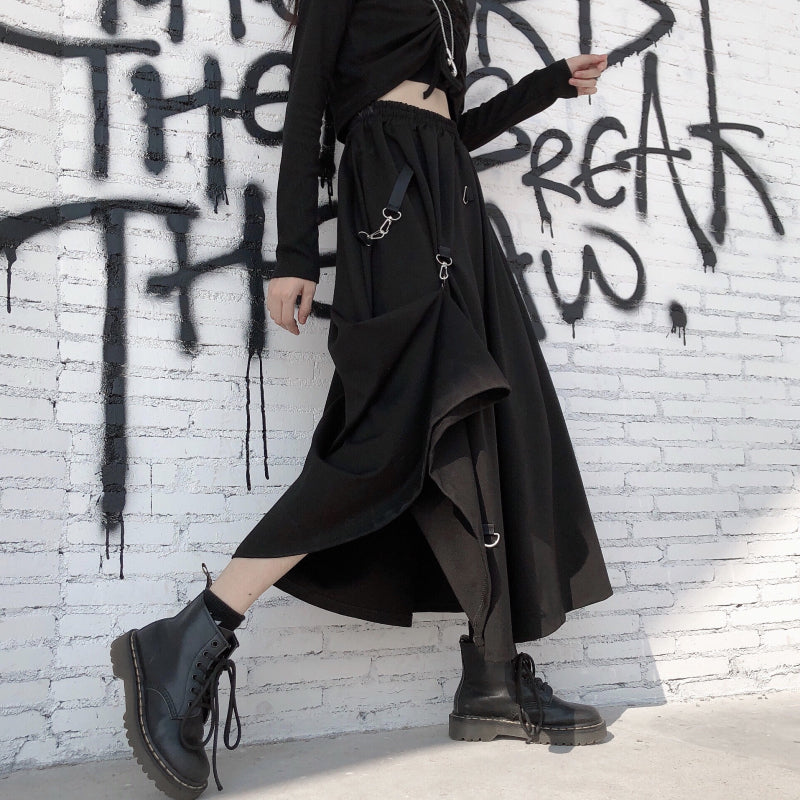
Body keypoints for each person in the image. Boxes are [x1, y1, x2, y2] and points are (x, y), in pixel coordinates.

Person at [110, 1, 613, 797]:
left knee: (482, 419)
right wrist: (295, 254)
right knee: (391, 431)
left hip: (450, 196)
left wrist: (545, 87)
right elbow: (309, 104)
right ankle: (190, 633)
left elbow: (451, 127)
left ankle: (491, 678)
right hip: (391, 194)